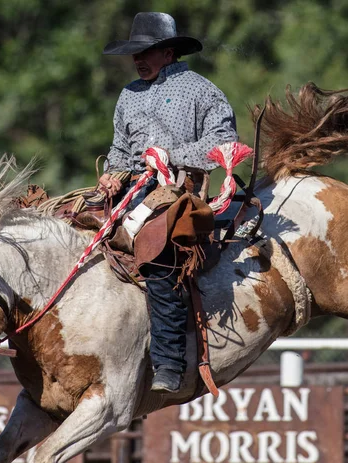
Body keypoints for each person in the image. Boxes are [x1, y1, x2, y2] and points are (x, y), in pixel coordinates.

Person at [100, 12, 238, 393]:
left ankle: (169, 363)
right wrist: (112, 172)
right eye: (134, 53)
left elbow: (222, 143)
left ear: (168, 52)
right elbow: (119, 148)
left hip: (182, 192)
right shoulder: (128, 94)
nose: (137, 59)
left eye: (146, 52)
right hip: (131, 189)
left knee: (158, 256)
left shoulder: (201, 91)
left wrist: (170, 155)